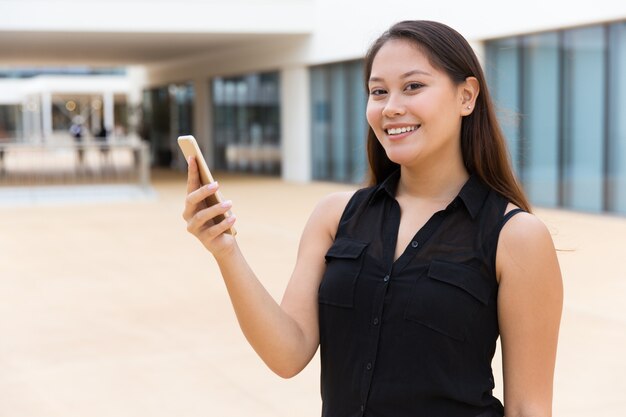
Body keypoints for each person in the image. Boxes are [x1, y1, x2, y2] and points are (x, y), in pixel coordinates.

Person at [182, 20, 563, 417]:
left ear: (466, 96)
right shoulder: (334, 216)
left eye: (413, 86)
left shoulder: (515, 236)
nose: (391, 106)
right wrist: (225, 249)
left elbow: (528, 408)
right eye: (378, 91)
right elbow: (287, 353)